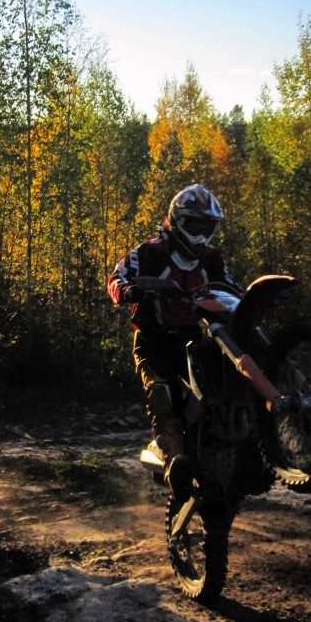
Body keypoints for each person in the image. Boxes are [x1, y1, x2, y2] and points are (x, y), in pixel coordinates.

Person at [107, 184, 238, 502]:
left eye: (207, 226)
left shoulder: (212, 258)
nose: (201, 233)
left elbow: (230, 287)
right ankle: (175, 463)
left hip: (194, 339)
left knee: (224, 383)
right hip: (153, 340)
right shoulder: (150, 252)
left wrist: (243, 302)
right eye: (195, 224)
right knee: (162, 395)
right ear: (178, 220)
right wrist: (129, 291)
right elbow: (116, 276)